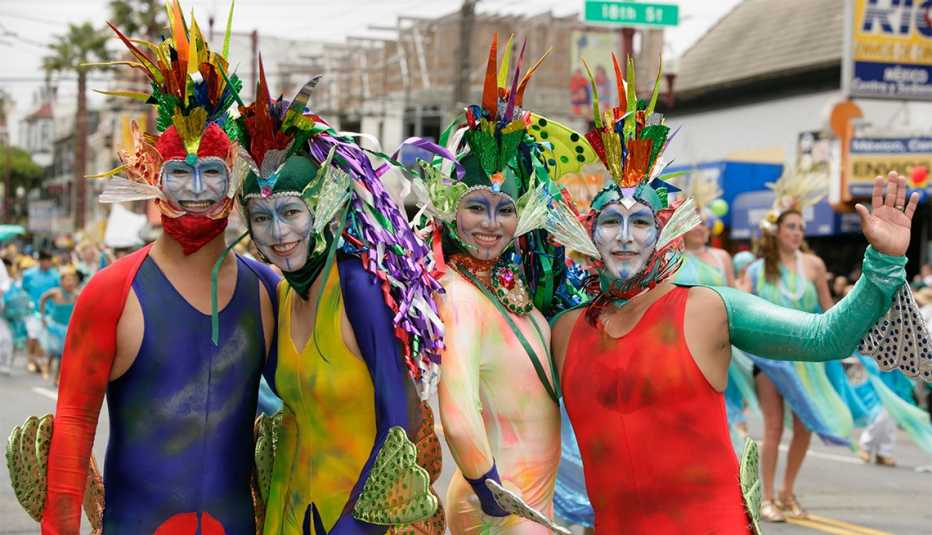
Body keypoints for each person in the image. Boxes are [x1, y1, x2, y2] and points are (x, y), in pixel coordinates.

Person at [550, 54, 925, 535]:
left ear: (665, 231)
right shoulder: (564, 330)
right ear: (589, 233)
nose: (625, 236)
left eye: (640, 221)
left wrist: (883, 264)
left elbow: (824, 337)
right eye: (610, 222)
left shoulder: (707, 309)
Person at [6, 4, 281, 534]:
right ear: (152, 175)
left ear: (236, 178)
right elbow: (73, 426)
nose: (199, 195)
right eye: (181, 174)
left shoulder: (267, 289)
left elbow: (310, 409)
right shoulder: (111, 292)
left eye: (212, 175)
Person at [237, 68, 446, 534]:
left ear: (325, 205)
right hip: (288, 515)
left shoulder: (358, 285)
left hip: (360, 519)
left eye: (291, 212)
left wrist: (356, 525)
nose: (279, 234)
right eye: (262, 218)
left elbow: (401, 418)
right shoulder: (282, 295)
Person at [422, 35, 581, 534]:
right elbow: (458, 407)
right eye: (475, 205)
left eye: (505, 209)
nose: (490, 223)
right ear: (449, 206)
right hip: (502, 506)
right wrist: (490, 490)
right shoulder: (458, 294)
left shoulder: (513, 287)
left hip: (532, 497)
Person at [37, 265, 81, 385]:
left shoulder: (77, 295)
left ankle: (57, 377)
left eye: (72, 280)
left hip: (67, 328)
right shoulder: (55, 293)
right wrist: (42, 316)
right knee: (53, 350)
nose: (69, 283)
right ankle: (47, 364)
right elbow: (42, 299)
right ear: (61, 282)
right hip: (54, 327)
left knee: (63, 355)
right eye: (67, 280)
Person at [21, 249, 59, 374]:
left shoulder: (55, 276)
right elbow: (23, 291)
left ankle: (39, 361)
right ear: (40, 261)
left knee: (44, 339)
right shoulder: (29, 274)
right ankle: (30, 360)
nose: (47, 263)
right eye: (45, 261)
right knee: (33, 335)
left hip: (49, 312)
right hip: (32, 311)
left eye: (49, 261)